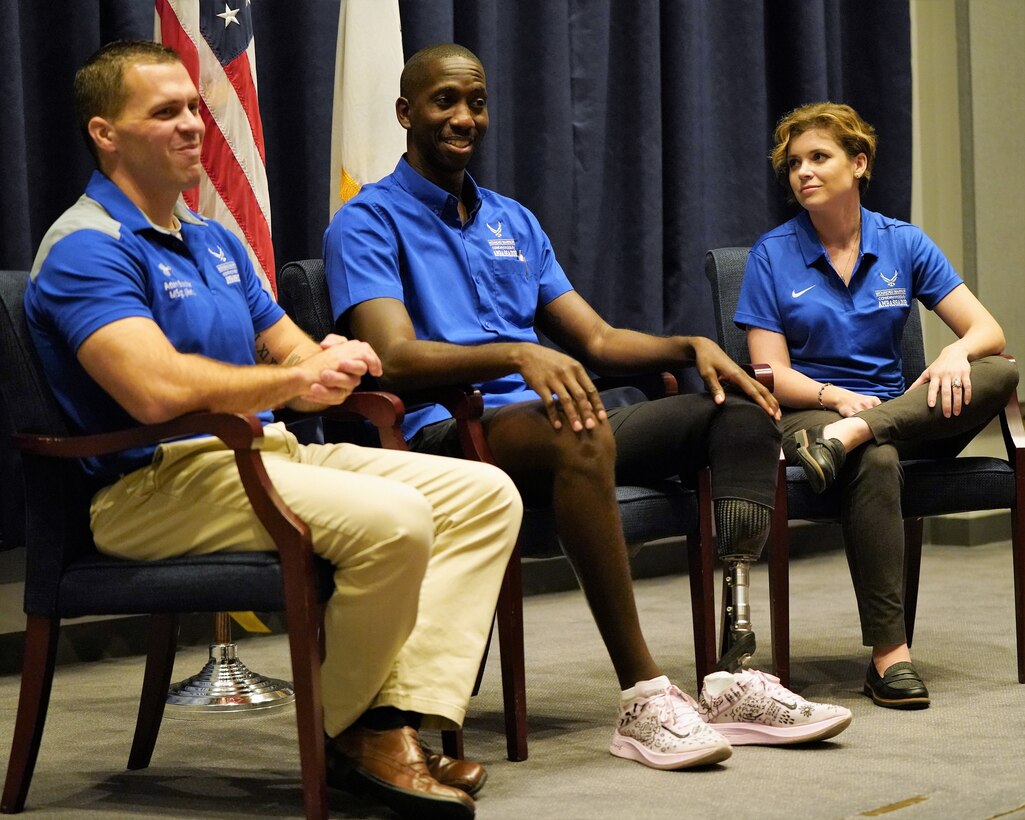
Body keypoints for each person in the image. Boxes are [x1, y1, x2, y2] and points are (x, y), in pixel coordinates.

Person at [25, 40, 525, 820]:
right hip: (147, 487)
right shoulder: (86, 248)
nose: (193, 125)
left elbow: (291, 349)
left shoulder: (215, 241)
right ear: (105, 134)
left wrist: (333, 358)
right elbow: (155, 390)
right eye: (166, 112)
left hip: (258, 457)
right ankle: (357, 734)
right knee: (395, 522)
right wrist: (290, 380)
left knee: (484, 494)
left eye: (194, 106)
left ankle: (389, 722)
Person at [325, 42, 853, 770]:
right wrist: (515, 353)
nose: (463, 116)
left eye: (475, 102)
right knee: (581, 433)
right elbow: (393, 356)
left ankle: (730, 672)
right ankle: (641, 695)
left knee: (735, 410)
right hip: (448, 431)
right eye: (444, 101)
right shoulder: (366, 220)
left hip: (546, 421)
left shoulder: (513, 220)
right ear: (405, 112)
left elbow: (596, 338)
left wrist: (687, 346)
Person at [735, 101, 1019, 709]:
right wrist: (836, 399)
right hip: (812, 414)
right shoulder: (771, 253)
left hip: (895, 409)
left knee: (997, 373)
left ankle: (859, 434)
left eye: (819, 157)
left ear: (858, 163)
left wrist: (952, 356)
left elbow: (988, 333)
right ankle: (890, 658)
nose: (803, 173)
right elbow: (769, 374)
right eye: (794, 165)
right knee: (879, 460)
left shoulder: (903, 242)